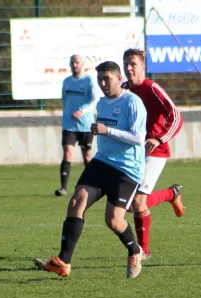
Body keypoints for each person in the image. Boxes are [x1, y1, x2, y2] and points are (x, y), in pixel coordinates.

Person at [35, 61, 148, 279]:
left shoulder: (133, 102)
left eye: (107, 79)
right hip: (102, 162)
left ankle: (135, 251)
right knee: (77, 201)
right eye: (100, 80)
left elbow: (138, 139)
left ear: (118, 78)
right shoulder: (102, 103)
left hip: (127, 169)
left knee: (113, 220)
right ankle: (63, 261)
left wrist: (108, 130)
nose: (103, 83)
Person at [122, 48, 185, 261]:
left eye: (133, 64)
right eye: (126, 64)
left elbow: (176, 116)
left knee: (138, 202)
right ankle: (170, 194)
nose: (129, 68)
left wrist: (158, 138)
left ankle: (143, 251)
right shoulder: (123, 90)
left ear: (142, 67)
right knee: (130, 205)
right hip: (132, 154)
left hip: (155, 151)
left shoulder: (152, 88)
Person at [55, 54, 102, 197]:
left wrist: (83, 111)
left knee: (87, 156)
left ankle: (93, 185)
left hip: (86, 125)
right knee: (67, 153)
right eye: (72, 62)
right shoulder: (67, 81)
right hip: (69, 125)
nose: (74, 65)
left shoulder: (89, 80)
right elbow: (64, 100)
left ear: (82, 64)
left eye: (77, 62)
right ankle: (63, 188)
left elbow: (95, 99)